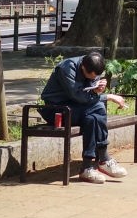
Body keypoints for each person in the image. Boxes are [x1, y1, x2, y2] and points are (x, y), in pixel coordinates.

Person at [39, 50, 128, 184]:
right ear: (83, 67)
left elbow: (89, 94)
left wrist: (97, 90)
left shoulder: (93, 67)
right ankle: (103, 158)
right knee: (98, 107)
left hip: (79, 109)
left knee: (91, 118)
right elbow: (78, 96)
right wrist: (107, 97)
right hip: (57, 110)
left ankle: (87, 167)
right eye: (89, 76)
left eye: (95, 78)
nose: (93, 79)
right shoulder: (67, 68)